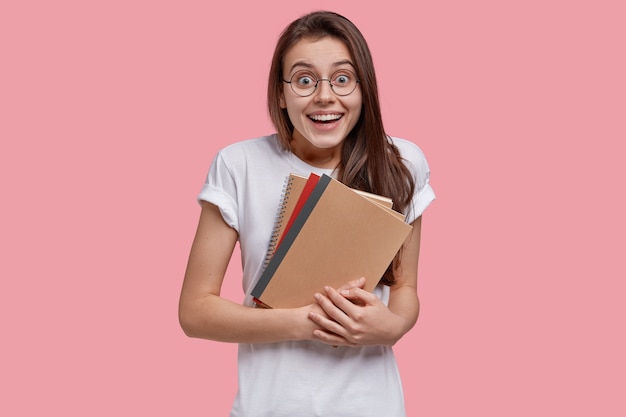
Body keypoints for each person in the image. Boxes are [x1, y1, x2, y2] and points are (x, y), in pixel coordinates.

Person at [179, 10, 435, 417]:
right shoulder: (238, 165)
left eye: (342, 79)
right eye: (303, 80)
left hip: (372, 406)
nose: (324, 96)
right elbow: (195, 311)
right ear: (280, 94)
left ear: (363, 88)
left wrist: (393, 327)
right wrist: (307, 322)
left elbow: (405, 288)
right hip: (269, 406)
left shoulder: (401, 162)